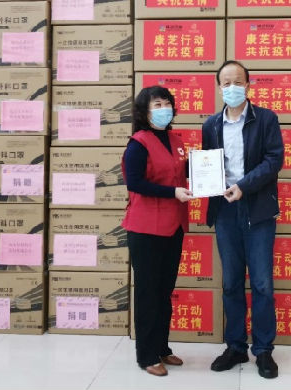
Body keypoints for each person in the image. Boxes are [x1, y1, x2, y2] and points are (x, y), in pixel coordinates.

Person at [202, 60, 283, 379]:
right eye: (226, 83)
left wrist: (244, 187)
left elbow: (274, 160)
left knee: (262, 283)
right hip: (225, 210)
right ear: (218, 87)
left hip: (257, 209)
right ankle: (235, 346)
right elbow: (207, 165)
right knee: (231, 282)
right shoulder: (211, 125)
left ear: (248, 85)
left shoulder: (266, 119)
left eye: (238, 82)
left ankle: (263, 350)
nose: (232, 88)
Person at [121, 86, 193, 377]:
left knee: (165, 291)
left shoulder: (176, 140)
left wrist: (207, 171)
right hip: (146, 228)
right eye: (157, 104)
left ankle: (162, 347)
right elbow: (135, 182)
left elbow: (183, 173)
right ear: (144, 111)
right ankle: (147, 356)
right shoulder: (138, 143)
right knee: (148, 293)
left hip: (174, 225)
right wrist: (172, 192)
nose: (164, 109)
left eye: (167, 103)